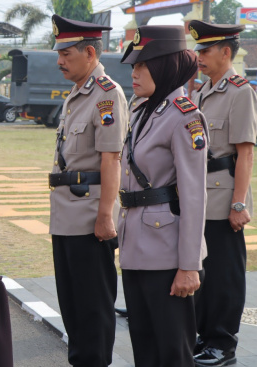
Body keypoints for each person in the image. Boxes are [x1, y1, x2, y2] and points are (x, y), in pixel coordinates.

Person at [118, 25, 207, 367]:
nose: (135, 73)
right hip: (136, 247)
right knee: (144, 346)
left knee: (172, 351)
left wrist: (189, 266)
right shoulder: (143, 112)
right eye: (134, 66)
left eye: (143, 65)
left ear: (166, 66)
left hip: (168, 255)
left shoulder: (185, 117)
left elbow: (194, 196)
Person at [48, 15, 128, 367]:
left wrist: (106, 216)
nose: (60, 61)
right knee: (71, 301)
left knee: (93, 303)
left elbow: (112, 160)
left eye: (67, 53)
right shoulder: (77, 95)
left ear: (90, 52)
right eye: (59, 53)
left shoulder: (107, 96)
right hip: (65, 213)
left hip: (90, 215)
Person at [188, 20, 257, 367]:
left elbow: (245, 152)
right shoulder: (201, 91)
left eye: (205, 50)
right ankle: (204, 335)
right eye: (198, 50)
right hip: (199, 195)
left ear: (226, 52)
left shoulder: (240, 91)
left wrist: (239, 203)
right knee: (201, 273)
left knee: (224, 276)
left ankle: (223, 345)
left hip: (224, 195)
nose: (199, 56)